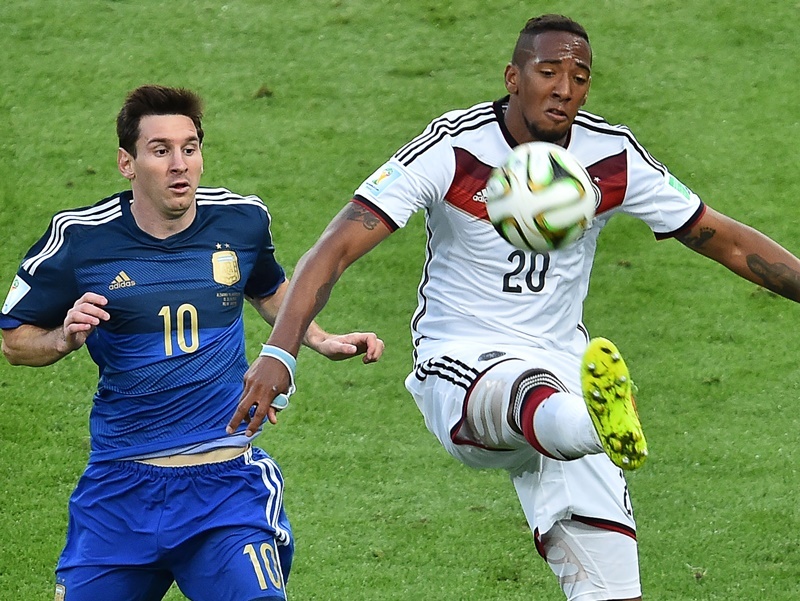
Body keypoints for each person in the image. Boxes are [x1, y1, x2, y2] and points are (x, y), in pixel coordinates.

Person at [227, 13, 800, 601]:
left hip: (568, 366)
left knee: (612, 589)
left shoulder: (612, 156)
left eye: (579, 77)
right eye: (548, 72)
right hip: (461, 361)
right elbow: (335, 248)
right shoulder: (455, 146)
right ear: (513, 77)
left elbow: (721, 238)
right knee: (530, 391)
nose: (564, 88)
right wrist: (280, 353)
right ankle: (596, 423)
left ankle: (591, 424)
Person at [0, 84, 383, 601]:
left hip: (225, 488)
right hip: (119, 491)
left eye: (190, 148)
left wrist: (318, 338)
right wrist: (63, 338)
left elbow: (268, 288)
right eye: (160, 150)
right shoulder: (79, 239)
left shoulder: (242, 221)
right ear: (127, 163)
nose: (179, 164)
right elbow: (14, 341)